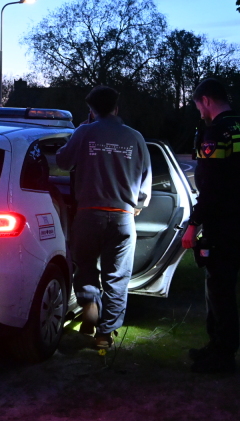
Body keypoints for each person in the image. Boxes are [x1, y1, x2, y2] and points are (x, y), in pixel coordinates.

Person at [56, 85, 152, 350]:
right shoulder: (135, 137)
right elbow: (146, 177)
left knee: (85, 266)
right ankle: (105, 333)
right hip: (122, 216)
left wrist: (83, 133)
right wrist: (139, 203)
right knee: (117, 277)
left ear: (91, 110)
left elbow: (62, 161)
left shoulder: (84, 132)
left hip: (88, 215)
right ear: (116, 108)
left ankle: (90, 307)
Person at [182, 78, 240, 374]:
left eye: (197, 105)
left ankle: (224, 354)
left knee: (219, 290)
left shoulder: (215, 133)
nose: (198, 111)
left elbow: (211, 187)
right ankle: (216, 346)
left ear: (205, 100)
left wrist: (193, 225)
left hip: (221, 222)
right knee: (220, 285)